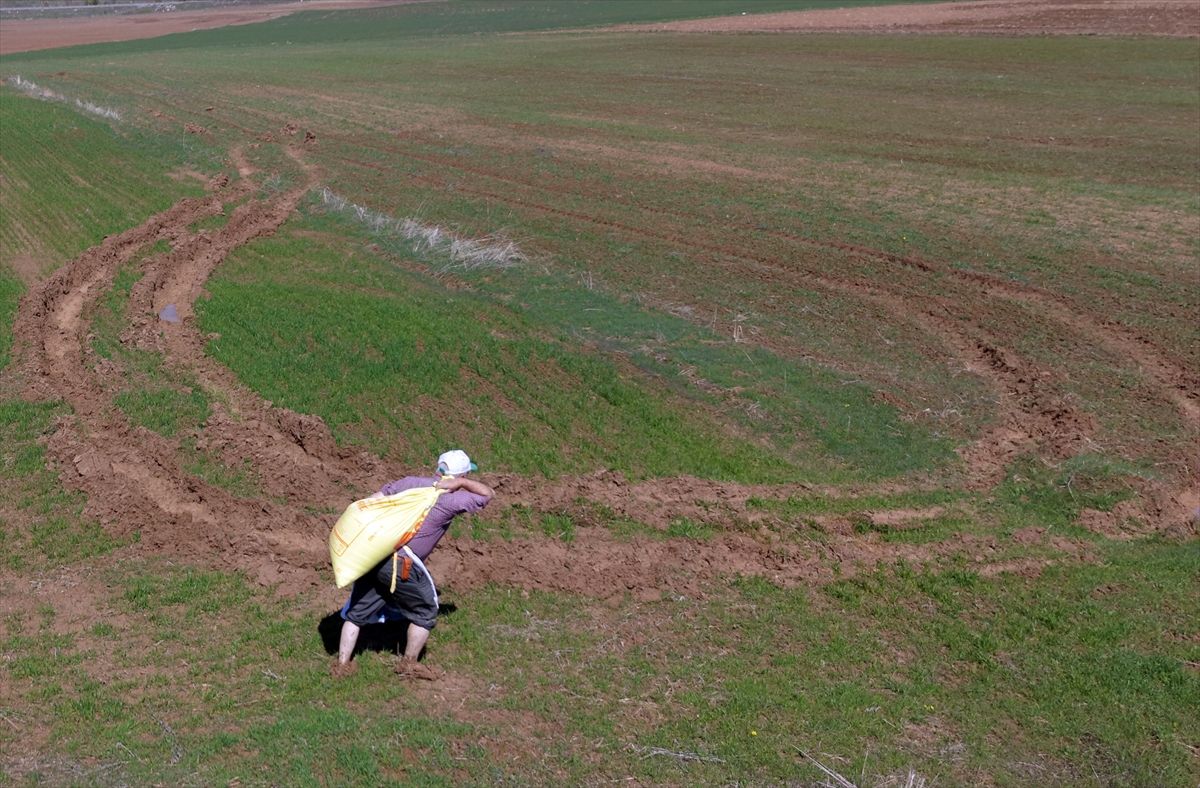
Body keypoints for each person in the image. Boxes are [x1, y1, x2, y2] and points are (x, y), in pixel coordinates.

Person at [331, 449, 493, 679]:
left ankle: (342, 665)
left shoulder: (411, 483)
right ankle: (409, 665)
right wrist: (462, 483)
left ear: (438, 468)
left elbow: (373, 501)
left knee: (356, 612)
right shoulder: (449, 500)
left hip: (375, 555)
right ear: (462, 474)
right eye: (466, 474)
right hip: (402, 563)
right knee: (426, 611)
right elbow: (487, 494)